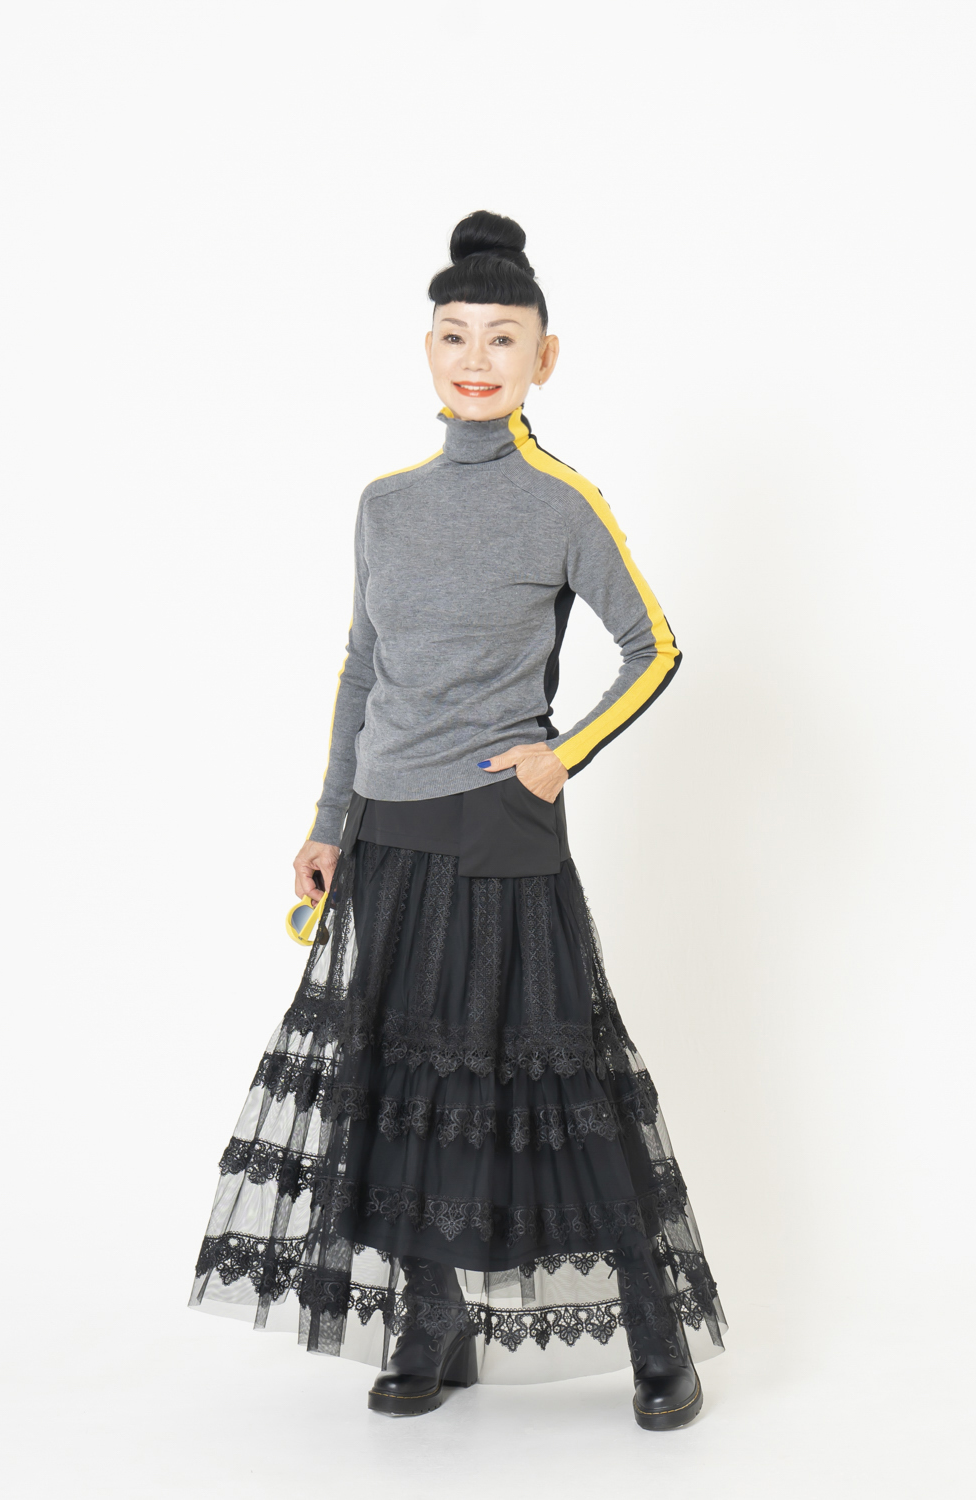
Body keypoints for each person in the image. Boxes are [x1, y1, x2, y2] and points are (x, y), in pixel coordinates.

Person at [190, 211, 726, 1430]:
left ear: (545, 356)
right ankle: (430, 1324)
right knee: (397, 1083)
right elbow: (363, 667)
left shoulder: (560, 501)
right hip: (386, 829)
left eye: (502, 337)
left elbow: (654, 646)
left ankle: (657, 1335)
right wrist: (329, 821)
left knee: (557, 1082)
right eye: (453, 335)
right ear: (426, 349)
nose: (475, 358)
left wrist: (560, 754)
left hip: (497, 825)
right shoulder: (384, 504)